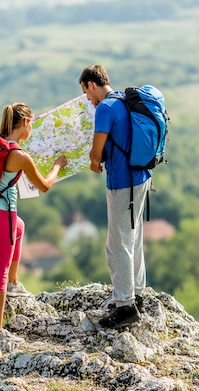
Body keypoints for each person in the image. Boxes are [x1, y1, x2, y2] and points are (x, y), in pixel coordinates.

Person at [0, 102, 68, 343]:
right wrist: (57, 165)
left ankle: (15, 284)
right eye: (32, 123)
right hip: (0, 213)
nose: (32, 129)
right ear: (25, 122)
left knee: (20, 227)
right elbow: (45, 186)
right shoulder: (18, 156)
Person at [78, 64, 151, 329]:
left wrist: (94, 162)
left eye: (86, 93)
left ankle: (124, 306)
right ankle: (137, 295)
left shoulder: (105, 109)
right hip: (142, 177)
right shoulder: (124, 99)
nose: (88, 99)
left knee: (117, 244)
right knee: (134, 238)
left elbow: (96, 153)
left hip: (122, 182)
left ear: (91, 85)